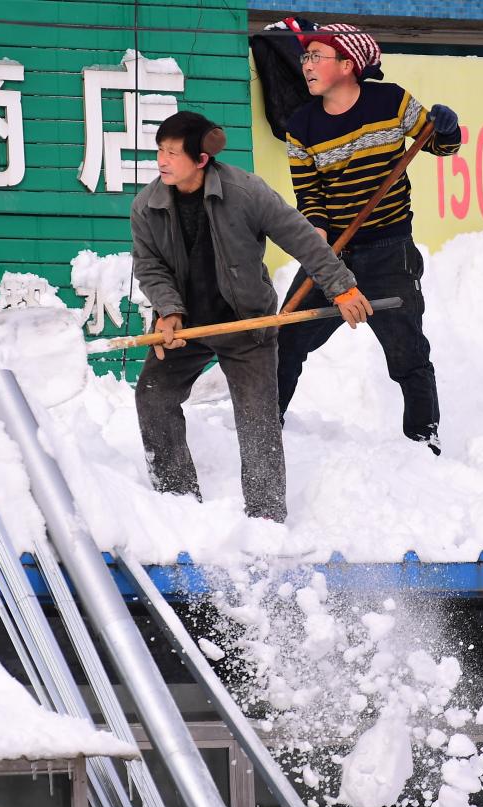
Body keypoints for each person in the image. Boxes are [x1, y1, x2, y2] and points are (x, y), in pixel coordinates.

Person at [131, 111, 369, 522]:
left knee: (258, 418)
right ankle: (178, 503)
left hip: (247, 322)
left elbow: (300, 237)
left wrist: (341, 287)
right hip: (186, 325)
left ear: (201, 159)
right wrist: (168, 311)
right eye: (160, 151)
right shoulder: (147, 206)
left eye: (172, 153)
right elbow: (149, 266)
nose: (162, 161)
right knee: (153, 396)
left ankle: (266, 518)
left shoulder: (245, 192)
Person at [279, 21, 461, 454]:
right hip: (332, 254)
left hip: (389, 251)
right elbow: (311, 199)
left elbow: (440, 145)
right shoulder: (301, 125)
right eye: (305, 57)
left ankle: (424, 439)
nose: (306, 65)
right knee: (285, 339)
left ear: (347, 64)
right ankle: (264, 426)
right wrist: (318, 248)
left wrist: (447, 128)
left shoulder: (391, 102)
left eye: (316, 56)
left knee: (407, 351)